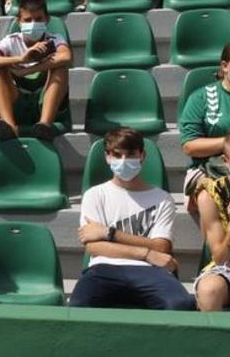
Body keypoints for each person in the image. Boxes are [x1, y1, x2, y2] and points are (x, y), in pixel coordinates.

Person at [70, 128, 194, 311]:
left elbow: (161, 246)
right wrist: (146, 253)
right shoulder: (95, 195)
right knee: (79, 306)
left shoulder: (162, 198)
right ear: (107, 157)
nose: (123, 161)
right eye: (117, 155)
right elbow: (94, 247)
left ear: (142, 155)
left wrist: (108, 232)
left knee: (181, 304)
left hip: (151, 271)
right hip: (103, 268)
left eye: (130, 154)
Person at [0, 0, 72, 142]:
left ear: (47, 20)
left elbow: (66, 57)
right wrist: (20, 59)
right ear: (19, 21)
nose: (33, 24)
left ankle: (44, 125)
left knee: (60, 67)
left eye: (38, 19)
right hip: (17, 100)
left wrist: (27, 70)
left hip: (43, 100)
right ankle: (9, 126)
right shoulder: (11, 41)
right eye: (27, 20)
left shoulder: (54, 39)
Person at [179, 43, 230, 213]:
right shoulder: (201, 98)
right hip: (208, 169)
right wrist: (225, 143)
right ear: (225, 66)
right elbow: (189, 146)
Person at [194, 137, 230, 311]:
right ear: (226, 161)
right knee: (209, 290)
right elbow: (220, 257)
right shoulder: (210, 195)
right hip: (227, 264)